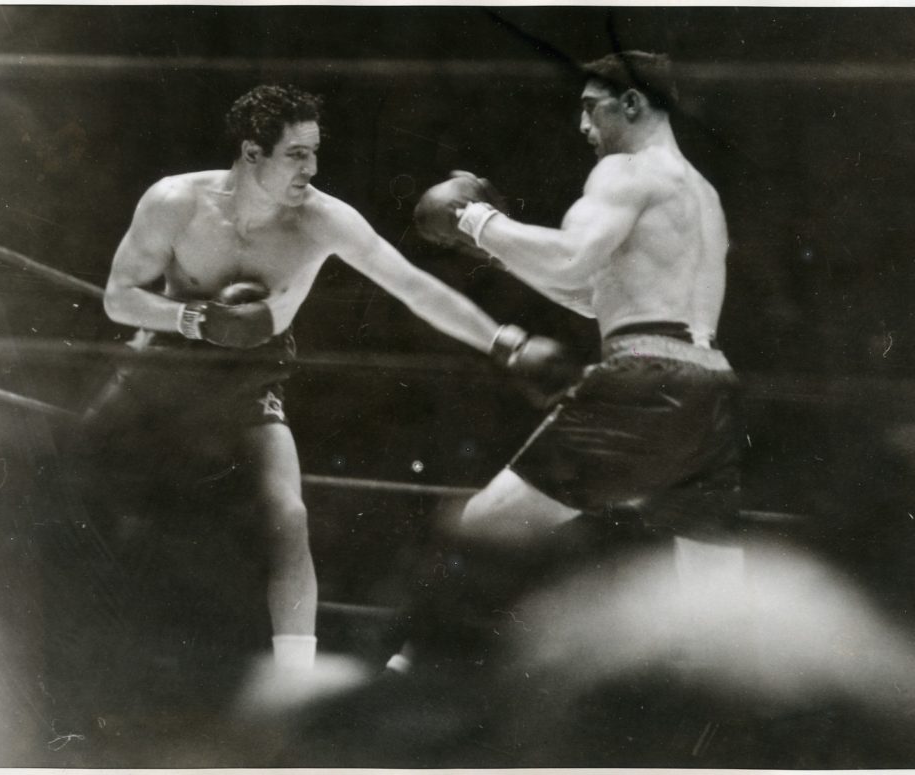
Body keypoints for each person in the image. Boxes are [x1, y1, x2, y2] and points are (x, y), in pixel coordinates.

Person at [97, 84, 572, 694]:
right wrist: (197, 318)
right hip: (168, 357)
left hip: (254, 370)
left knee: (288, 516)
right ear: (251, 152)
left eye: (315, 152)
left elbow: (412, 286)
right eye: (296, 154)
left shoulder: (324, 219)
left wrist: (504, 342)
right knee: (88, 476)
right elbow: (118, 296)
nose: (312, 168)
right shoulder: (175, 201)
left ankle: (296, 687)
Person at [387, 51, 744, 673]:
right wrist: (499, 250)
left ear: (631, 103)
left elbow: (572, 259)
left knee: (486, 525)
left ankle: (409, 683)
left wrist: (476, 219)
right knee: (710, 581)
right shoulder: (699, 192)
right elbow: (588, 296)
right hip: (709, 385)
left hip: (645, 378)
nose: (581, 126)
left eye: (590, 107)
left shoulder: (624, 173)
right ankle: (740, 725)